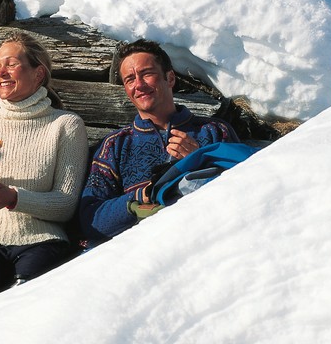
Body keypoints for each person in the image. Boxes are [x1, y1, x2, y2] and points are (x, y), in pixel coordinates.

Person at [0, 31, 89, 307]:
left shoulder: (66, 125)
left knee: (28, 299)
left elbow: (66, 203)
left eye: (10, 64)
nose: (1, 72)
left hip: (42, 239)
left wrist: (13, 198)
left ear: (38, 74)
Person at [79, 38, 239, 248]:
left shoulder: (214, 131)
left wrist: (200, 158)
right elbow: (91, 219)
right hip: (139, 253)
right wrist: (139, 197)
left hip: (210, 241)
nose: (139, 84)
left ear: (170, 78)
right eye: (129, 79)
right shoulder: (115, 145)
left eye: (147, 73)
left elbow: (243, 188)